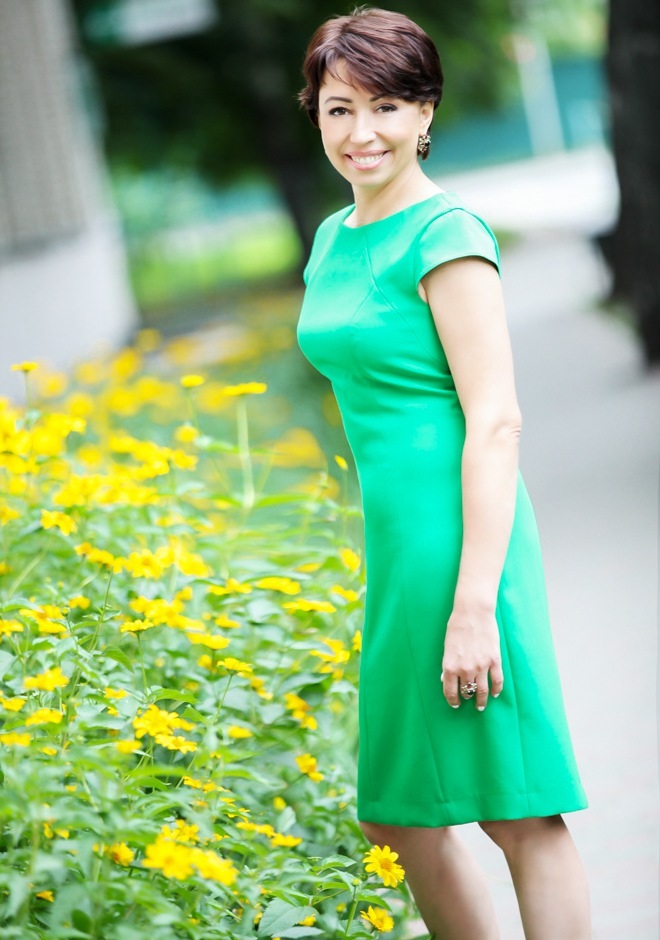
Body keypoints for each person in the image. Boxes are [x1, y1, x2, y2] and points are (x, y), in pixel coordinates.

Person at [296, 7, 591, 939]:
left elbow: (496, 421)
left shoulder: (446, 233)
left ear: (425, 112)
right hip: (397, 550)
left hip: (464, 542)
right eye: (340, 108)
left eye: (386, 106)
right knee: (398, 815)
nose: (362, 132)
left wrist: (474, 604)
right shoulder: (334, 236)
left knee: (517, 808)